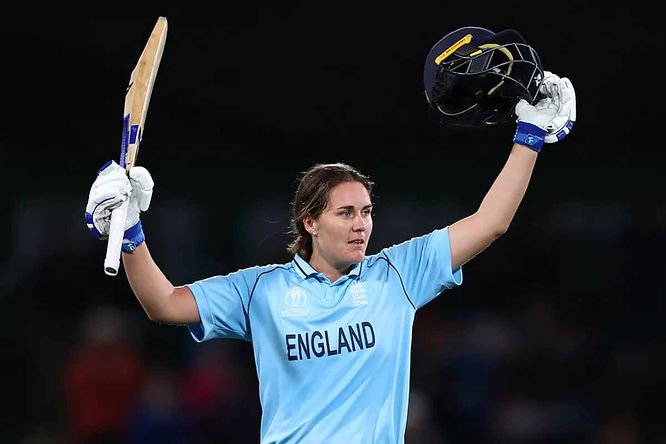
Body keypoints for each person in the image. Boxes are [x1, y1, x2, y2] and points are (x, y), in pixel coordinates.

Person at [85, 65, 576, 442]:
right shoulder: (262, 290)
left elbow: (491, 222)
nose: (361, 223)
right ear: (310, 222)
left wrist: (529, 136)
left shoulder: (397, 275)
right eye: (345, 213)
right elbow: (163, 303)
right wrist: (130, 233)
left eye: (366, 211)